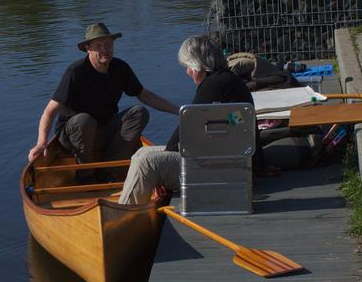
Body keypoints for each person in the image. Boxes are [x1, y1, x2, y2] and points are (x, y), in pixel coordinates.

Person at [118, 34, 275, 205]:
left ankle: (124, 214)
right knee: (140, 153)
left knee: (147, 163)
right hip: (231, 162)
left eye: (188, 66)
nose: (187, 72)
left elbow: (185, 128)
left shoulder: (212, 86)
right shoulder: (229, 80)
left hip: (222, 172)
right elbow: (223, 124)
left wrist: (164, 160)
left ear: (199, 64)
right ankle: (133, 201)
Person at [28, 22, 180, 166]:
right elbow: (49, 111)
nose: (105, 50)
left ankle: (110, 169)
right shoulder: (76, 71)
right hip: (73, 135)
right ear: (88, 49)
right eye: (98, 46)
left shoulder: (120, 68)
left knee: (139, 112)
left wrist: (179, 111)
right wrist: (41, 143)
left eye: (108, 45)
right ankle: (85, 173)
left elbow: (145, 95)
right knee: (85, 120)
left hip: (104, 129)